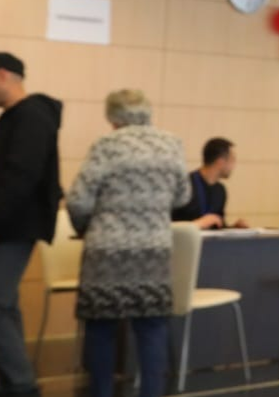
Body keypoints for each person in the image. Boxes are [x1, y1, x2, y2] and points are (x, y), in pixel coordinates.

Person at [66, 89, 189, 397]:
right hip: (153, 250)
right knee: (152, 328)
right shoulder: (171, 144)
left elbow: (78, 200)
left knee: (101, 327)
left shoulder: (107, 145)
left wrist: (85, 228)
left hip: (107, 252)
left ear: (112, 116)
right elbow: (183, 197)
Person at [0, 52, 61, 397]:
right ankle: (13, 383)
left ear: (2, 74)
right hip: (12, 223)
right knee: (3, 305)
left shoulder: (30, 117)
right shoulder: (19, 117)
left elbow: (21, 175)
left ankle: (20, 385)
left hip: (15, 225)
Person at [172, 137, 248, 229]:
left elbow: (218, 226)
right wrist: (198, 224)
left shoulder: (220, 190)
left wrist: (234, 228)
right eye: (232, 160)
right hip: (185, 238)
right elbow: (168, 224)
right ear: (220, 162)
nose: (234, 165)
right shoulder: (184, 184)